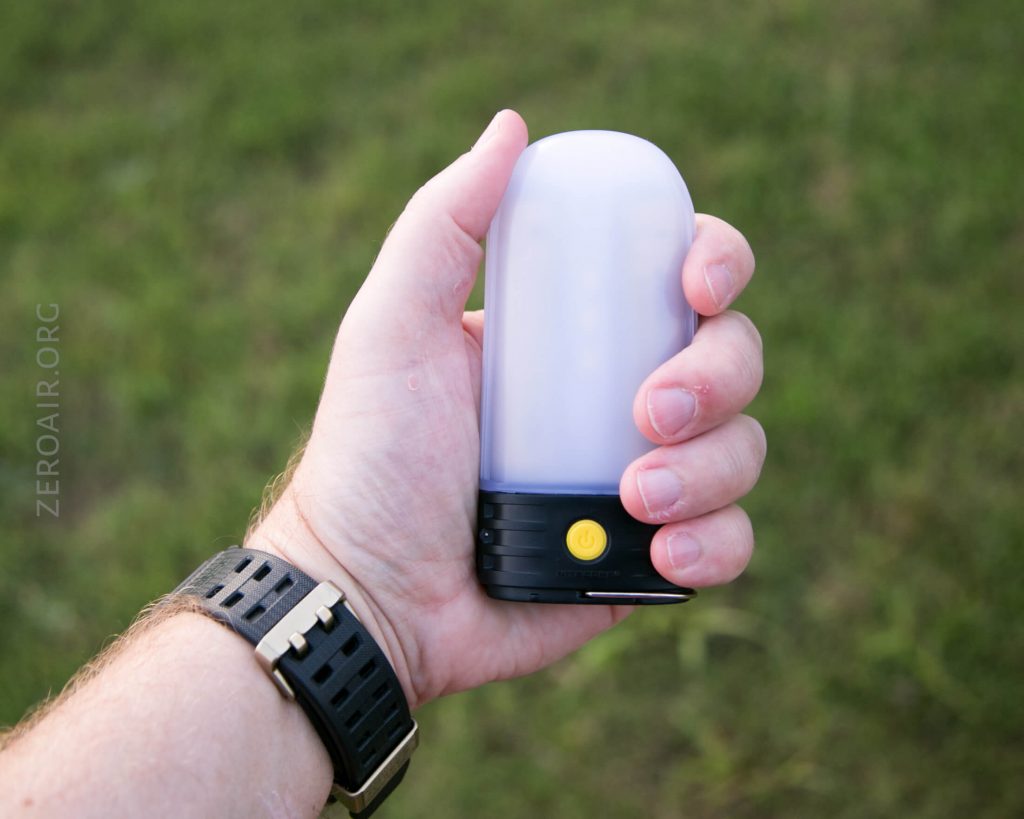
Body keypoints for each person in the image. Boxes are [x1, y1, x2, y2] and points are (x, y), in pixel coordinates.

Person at [0, 110, 765, 817]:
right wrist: (354, 580)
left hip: (569, 520)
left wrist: (355, 591)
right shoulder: (570, 185)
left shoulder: (581, 186)